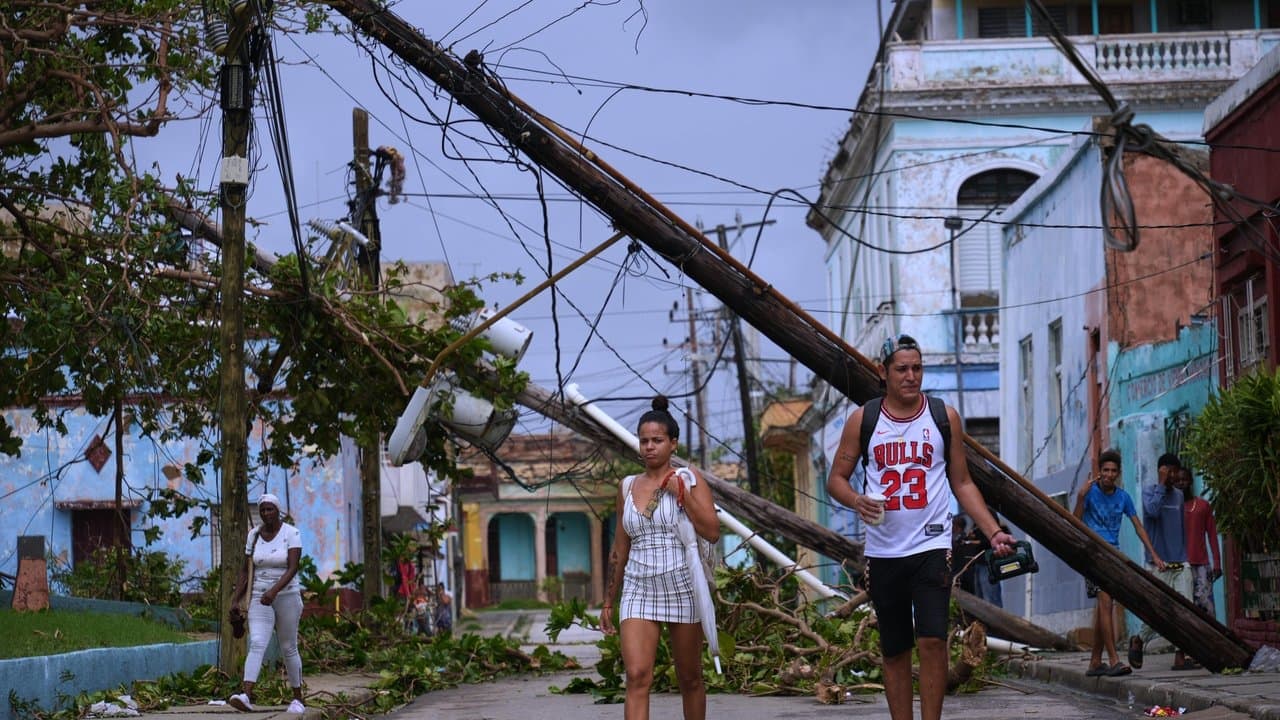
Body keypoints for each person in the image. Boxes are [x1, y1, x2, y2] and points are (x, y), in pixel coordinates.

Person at [826, 334, 1015, 720]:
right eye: (902, 369)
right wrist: (856, 500)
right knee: (895, 648)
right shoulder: (865, 419)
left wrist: (993, 531)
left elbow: (962, 482)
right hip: (884, 551)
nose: (911, 376)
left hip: (932, 547)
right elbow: (836, 480)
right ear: (883, 372)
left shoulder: (944, 417)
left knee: (932, 639)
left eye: (917, 368)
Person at [600, 396, 720, 720]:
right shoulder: (626, 487)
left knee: (690, 677)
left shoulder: (691, 480)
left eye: (657, 440)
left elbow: (711, 531)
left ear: (673, 444)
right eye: (644, 441)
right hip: (639, 589)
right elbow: (619, 548)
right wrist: (609, 600)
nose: (649, 447)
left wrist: (679, 492)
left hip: (682, 586)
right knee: (637, 676)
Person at [1074, 449, 1164, 678]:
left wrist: (1153, 554)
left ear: (1118, 473)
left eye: (1114, 471)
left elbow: (1138, 527)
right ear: (1099, 472)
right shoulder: (1090, 492)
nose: (1109, 474)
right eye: (1106, 470)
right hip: (1092, 552)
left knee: (1103, 608)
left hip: (1112, 553)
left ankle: (1095, 662)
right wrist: (1080, 497)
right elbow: (1074, 522)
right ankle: (1114, 659)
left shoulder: (1123, 497)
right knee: (1106, 603)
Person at [228, 494, 305, 714]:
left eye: (270, 510)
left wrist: (274, 591)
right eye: (262, 510)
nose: (266, 514)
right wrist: (236, 599)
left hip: (287, 596)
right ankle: (246, 694)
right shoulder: (253, 536)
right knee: (258, 642)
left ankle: (298, 698)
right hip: (259, 596)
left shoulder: (291, 533)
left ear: (278, 511)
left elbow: (292, 567)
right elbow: (246, 570)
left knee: (288, 646)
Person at [1139, 453, 1194, 670]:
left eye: (1175, 471)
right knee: (1157, 611)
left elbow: (1180, 527)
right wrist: (1161, 486)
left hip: (1180, 562)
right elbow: (1152, 512)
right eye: (1168, 471)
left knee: (1185, 609)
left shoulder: (1180, 496)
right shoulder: (1148, 492)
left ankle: (1181, 656)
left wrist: (1186, 556)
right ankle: (1139, 641)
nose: (1172, 476)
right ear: (1160, 471)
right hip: (1157, 564)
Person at [1180, 465, 1222, 617]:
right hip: (1181, 567)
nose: (1181, 483)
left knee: (1207, 609)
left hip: (1202, 566)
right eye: (1178, 481)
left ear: (1190, 481)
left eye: (1184, 479)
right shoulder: (1172, 508)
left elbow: (1212, 535)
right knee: (1186, 609)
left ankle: (1211, 639)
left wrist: (1217, 563)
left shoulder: (1203, 506)